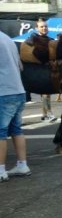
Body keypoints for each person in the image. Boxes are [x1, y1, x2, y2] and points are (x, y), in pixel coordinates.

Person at [0, 31, 30, 182]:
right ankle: (22, 165)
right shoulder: (7, 39)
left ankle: (1, 170)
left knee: (0, 132)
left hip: (3, 92)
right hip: (18, 90)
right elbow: (20, 66)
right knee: (16, 130)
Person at [29, 18, 56, 122]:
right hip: (38, 70)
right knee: (45, 93)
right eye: (42, 26)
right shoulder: (32, 39)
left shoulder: (50, 39)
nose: (44, 28)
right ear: (36, 28)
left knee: (45, 94)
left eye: (45, 26)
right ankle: (49, 113)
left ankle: (44, 114)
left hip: (48, 69)